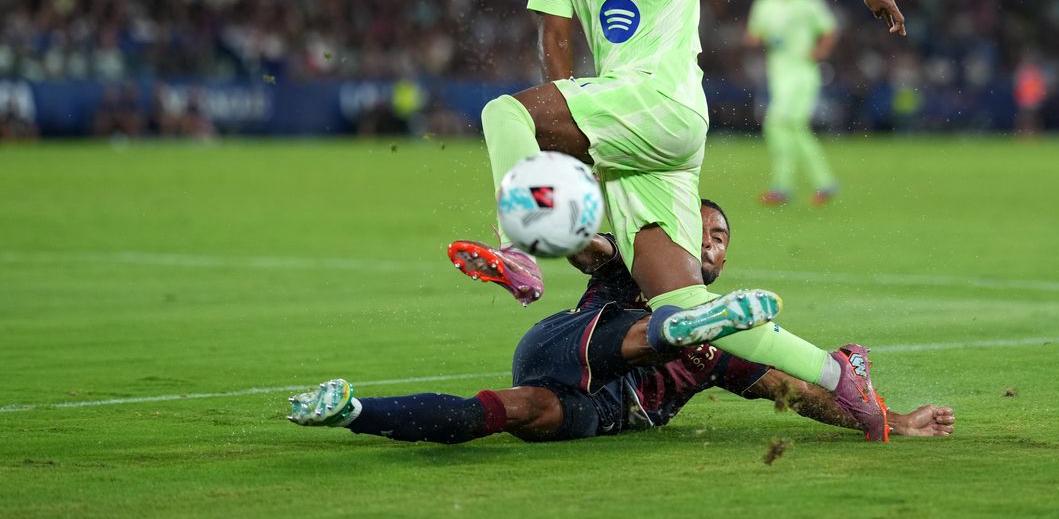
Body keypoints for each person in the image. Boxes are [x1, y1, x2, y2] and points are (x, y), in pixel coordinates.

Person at [456, 0, 906, 439]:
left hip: (663, 101)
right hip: (632, 126)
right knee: (683, 306)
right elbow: (554, 37)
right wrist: (572, 140)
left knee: (503, 112)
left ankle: (515, 250)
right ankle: (839, 373)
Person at [290, 201, 953, 443]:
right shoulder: (632, 266)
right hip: (567, 344)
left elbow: (798, 393)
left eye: (721, 237)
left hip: (599, 409)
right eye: (699, 230)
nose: (710, 243)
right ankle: (668, 325)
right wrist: (554, 233)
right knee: (656, 328)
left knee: (510, 412)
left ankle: (350, 412)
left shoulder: (735, 346)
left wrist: (893, 420)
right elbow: (593, 249)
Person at [744, 0, 840, 207]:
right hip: (778, 74)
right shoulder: (764, 3)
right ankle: (824, 183)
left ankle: (782, 186)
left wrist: (819, 51)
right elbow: (754, 35)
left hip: (802, 73)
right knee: (794, 127)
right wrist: (753, 39)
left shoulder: (809, 3)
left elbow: (830, 30)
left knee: (776, 123)